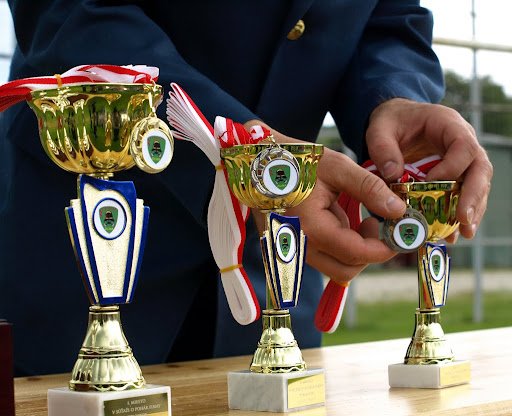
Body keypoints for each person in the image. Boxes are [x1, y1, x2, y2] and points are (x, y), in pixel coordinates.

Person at [0, 0, 492, 377]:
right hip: (82, 247)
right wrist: (247, 152)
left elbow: (387, 19)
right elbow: (70, 12)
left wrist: (394, 96)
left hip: (277, 263)